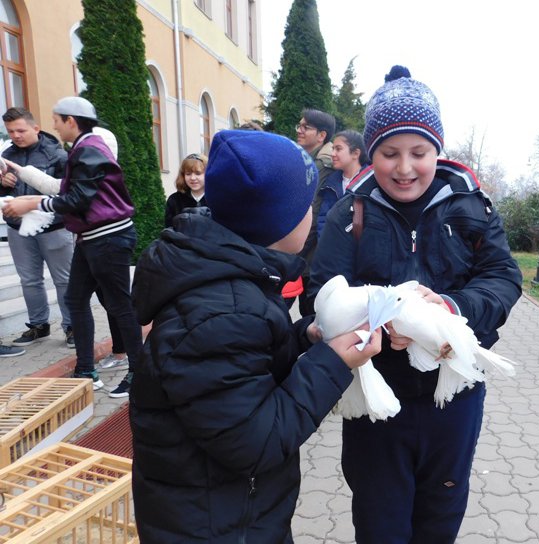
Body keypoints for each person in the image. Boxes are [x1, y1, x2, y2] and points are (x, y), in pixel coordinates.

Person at [128, 129, 380, 542]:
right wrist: (332, 363)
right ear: (277, 223)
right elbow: (255, 440)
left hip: (223, 509)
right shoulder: (221, 310)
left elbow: (243, 363)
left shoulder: (229, 279)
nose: (313, 215)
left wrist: (306, 337)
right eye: (307, 206)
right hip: (217, 525)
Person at [307, 66, 523, 543]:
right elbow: (320, 293)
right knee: (380, 521)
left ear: (437, 150)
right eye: (390, 153)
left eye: (419, 152)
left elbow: (503, 279)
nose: (405, 168)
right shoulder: (350, 213)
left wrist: (447, 308)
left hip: (455, 397)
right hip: (377, 401)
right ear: (371, 153)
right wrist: (375, 329)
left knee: (440, 515)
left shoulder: (471, 206)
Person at [1, 96, 140, 397]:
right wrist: (22, 175)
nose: (53, 125)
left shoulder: (89, 149)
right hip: (90, 239)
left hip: (108, 238)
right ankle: (86, 371)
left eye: (56, 119)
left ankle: (140, 374)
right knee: (75, 300)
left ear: (71, 122)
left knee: (119, 305)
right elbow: (62, 190)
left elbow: (77, 199)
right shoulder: (81, 148)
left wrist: (32, 203)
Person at [0, 107, 72, 348]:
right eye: (11, 131)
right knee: (29, 280)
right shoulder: (6, 155)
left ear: (35, 128)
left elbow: (67, 192)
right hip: (18, 227)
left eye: (21, 130)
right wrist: (2, 184)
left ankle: (72, 327)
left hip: (54, 227)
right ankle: (38, 326)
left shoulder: (58, 155)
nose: (16, 135)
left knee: (63, 280)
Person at [294, 108, 336, 316]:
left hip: (311, 255)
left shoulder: (323, 163)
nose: (299, 131)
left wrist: (294, 252)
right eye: (299, 126)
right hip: (307, 252)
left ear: (322, 135)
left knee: (311, 314)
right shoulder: (311, 158)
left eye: (306, 127)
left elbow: (312, 212)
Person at [316, 130, 368, 239]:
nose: (333, 154)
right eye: (333, 149)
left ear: (355, 153)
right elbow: (323, 219)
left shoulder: (371, 181)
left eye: (338, 149)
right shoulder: (331, 183)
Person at [164, 153, 207, 228]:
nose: (193, 178)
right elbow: (169, 229)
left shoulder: (217, 199)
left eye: (198, 173)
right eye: (188, 174)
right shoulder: (175, 200)